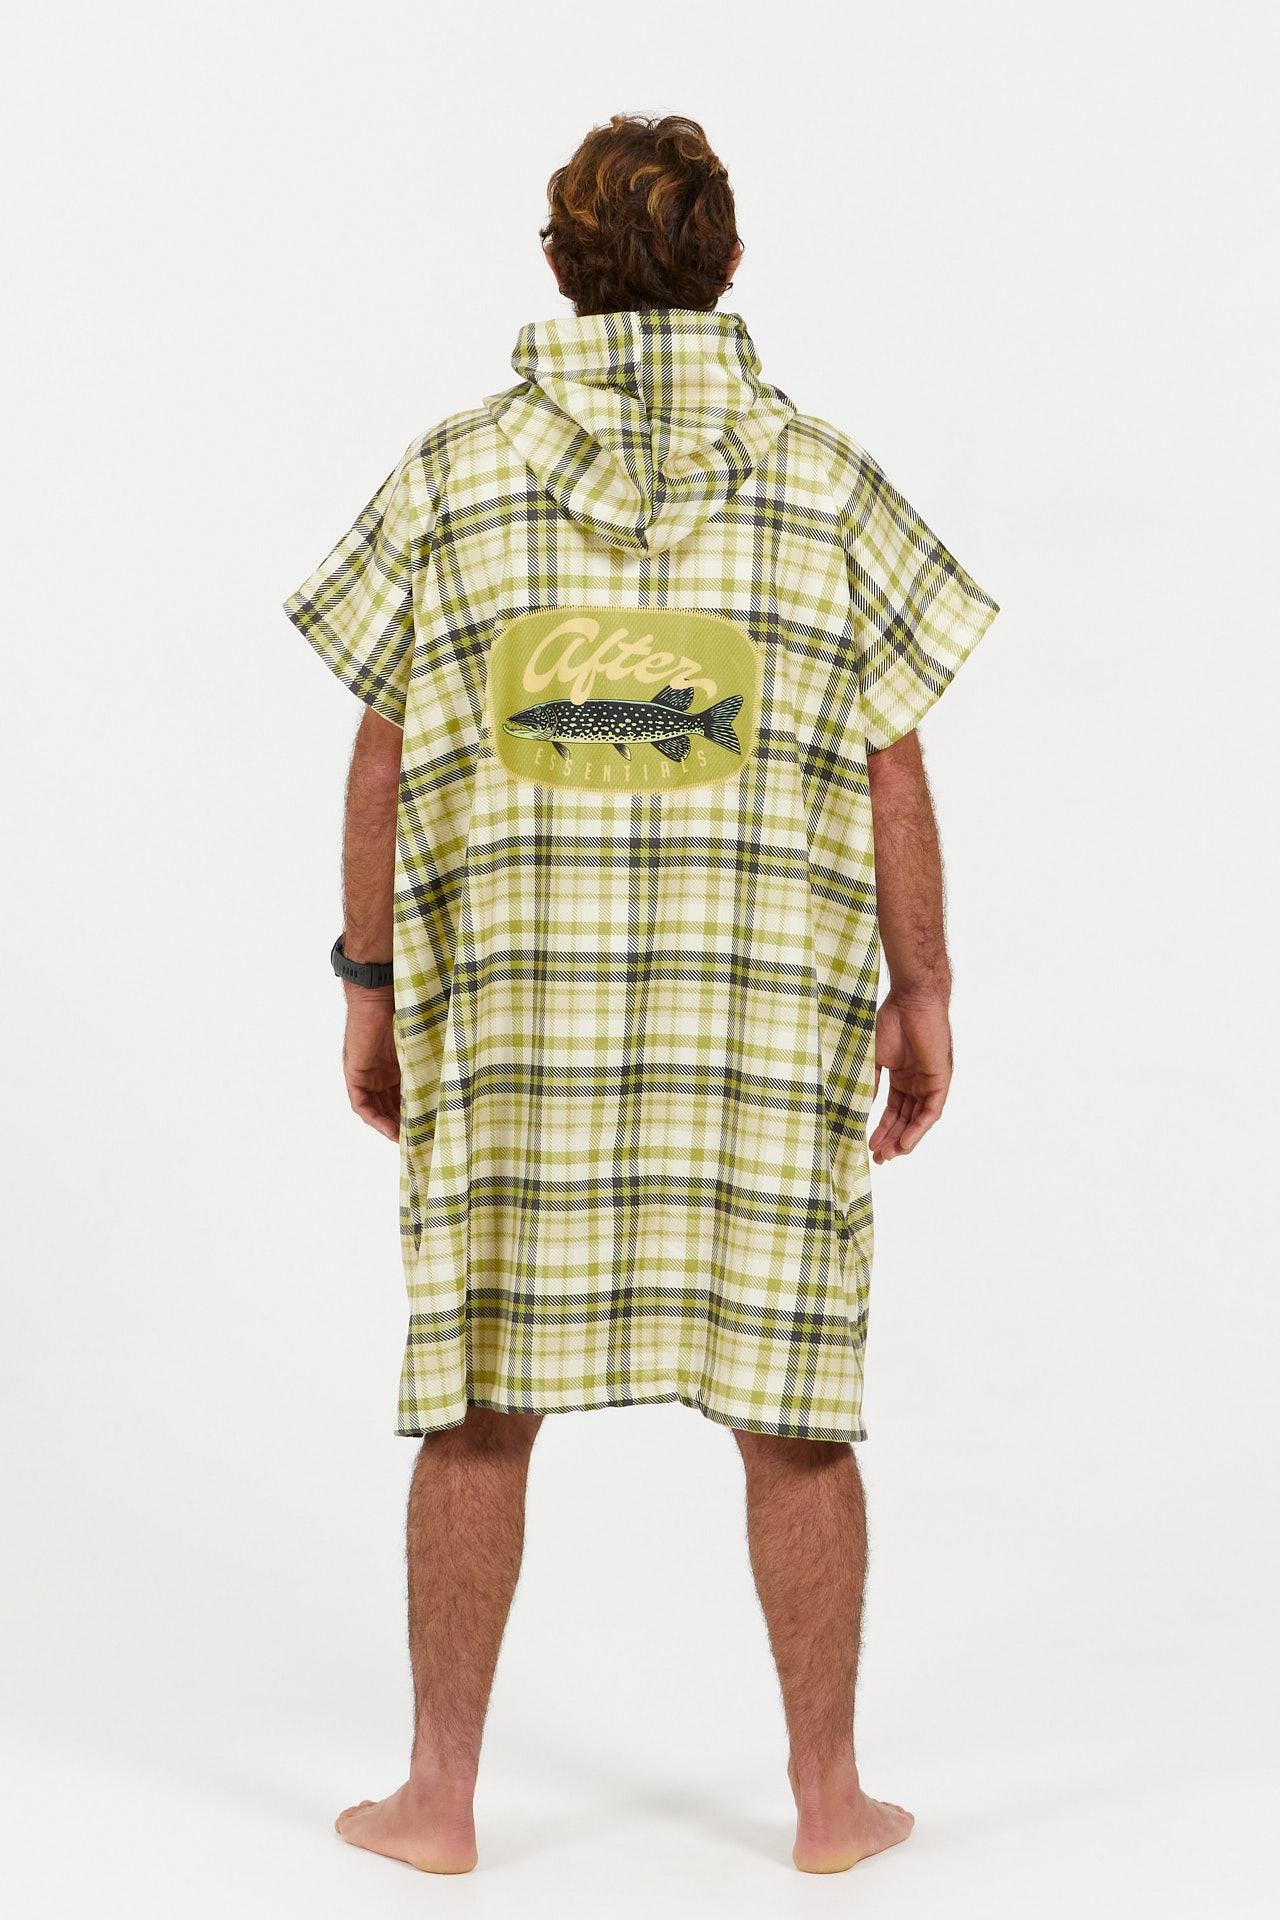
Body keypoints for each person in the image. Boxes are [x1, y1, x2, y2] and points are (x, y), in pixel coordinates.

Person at [283, 111, 1000, 1878]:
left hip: (510, 1030)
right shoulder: (827, 484)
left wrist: (370, 984)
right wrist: (923, 990)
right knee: (794, 1404)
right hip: (761, 1032)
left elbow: (379, 754)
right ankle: (828, 1804)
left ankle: (437, 1801)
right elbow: (894, 765)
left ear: (559, 268)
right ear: (729, 266)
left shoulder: (453, 476)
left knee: (478, 1397)